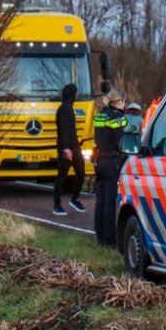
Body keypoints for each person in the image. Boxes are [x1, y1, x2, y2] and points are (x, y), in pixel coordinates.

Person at [93, 88, 128, 248]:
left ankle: (99, 236)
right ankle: (110, 240)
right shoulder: (118, 117)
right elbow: (121, 141)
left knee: (100, 199)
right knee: (110, 200)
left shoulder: (100, 114)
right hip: (112, 162)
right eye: (124, 101)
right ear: (119, 101)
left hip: (99, 160)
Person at [52, 83, 86, 216]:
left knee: (81, 172)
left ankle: (74, 198)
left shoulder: (68, 107)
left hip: (75, 147)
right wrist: (65, 148)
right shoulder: (65, 109)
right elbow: (64, 130)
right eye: (76, 92)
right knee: (62, 176)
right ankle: (57, 204)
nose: (77, 94)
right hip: (67, 149)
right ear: (73, 94)